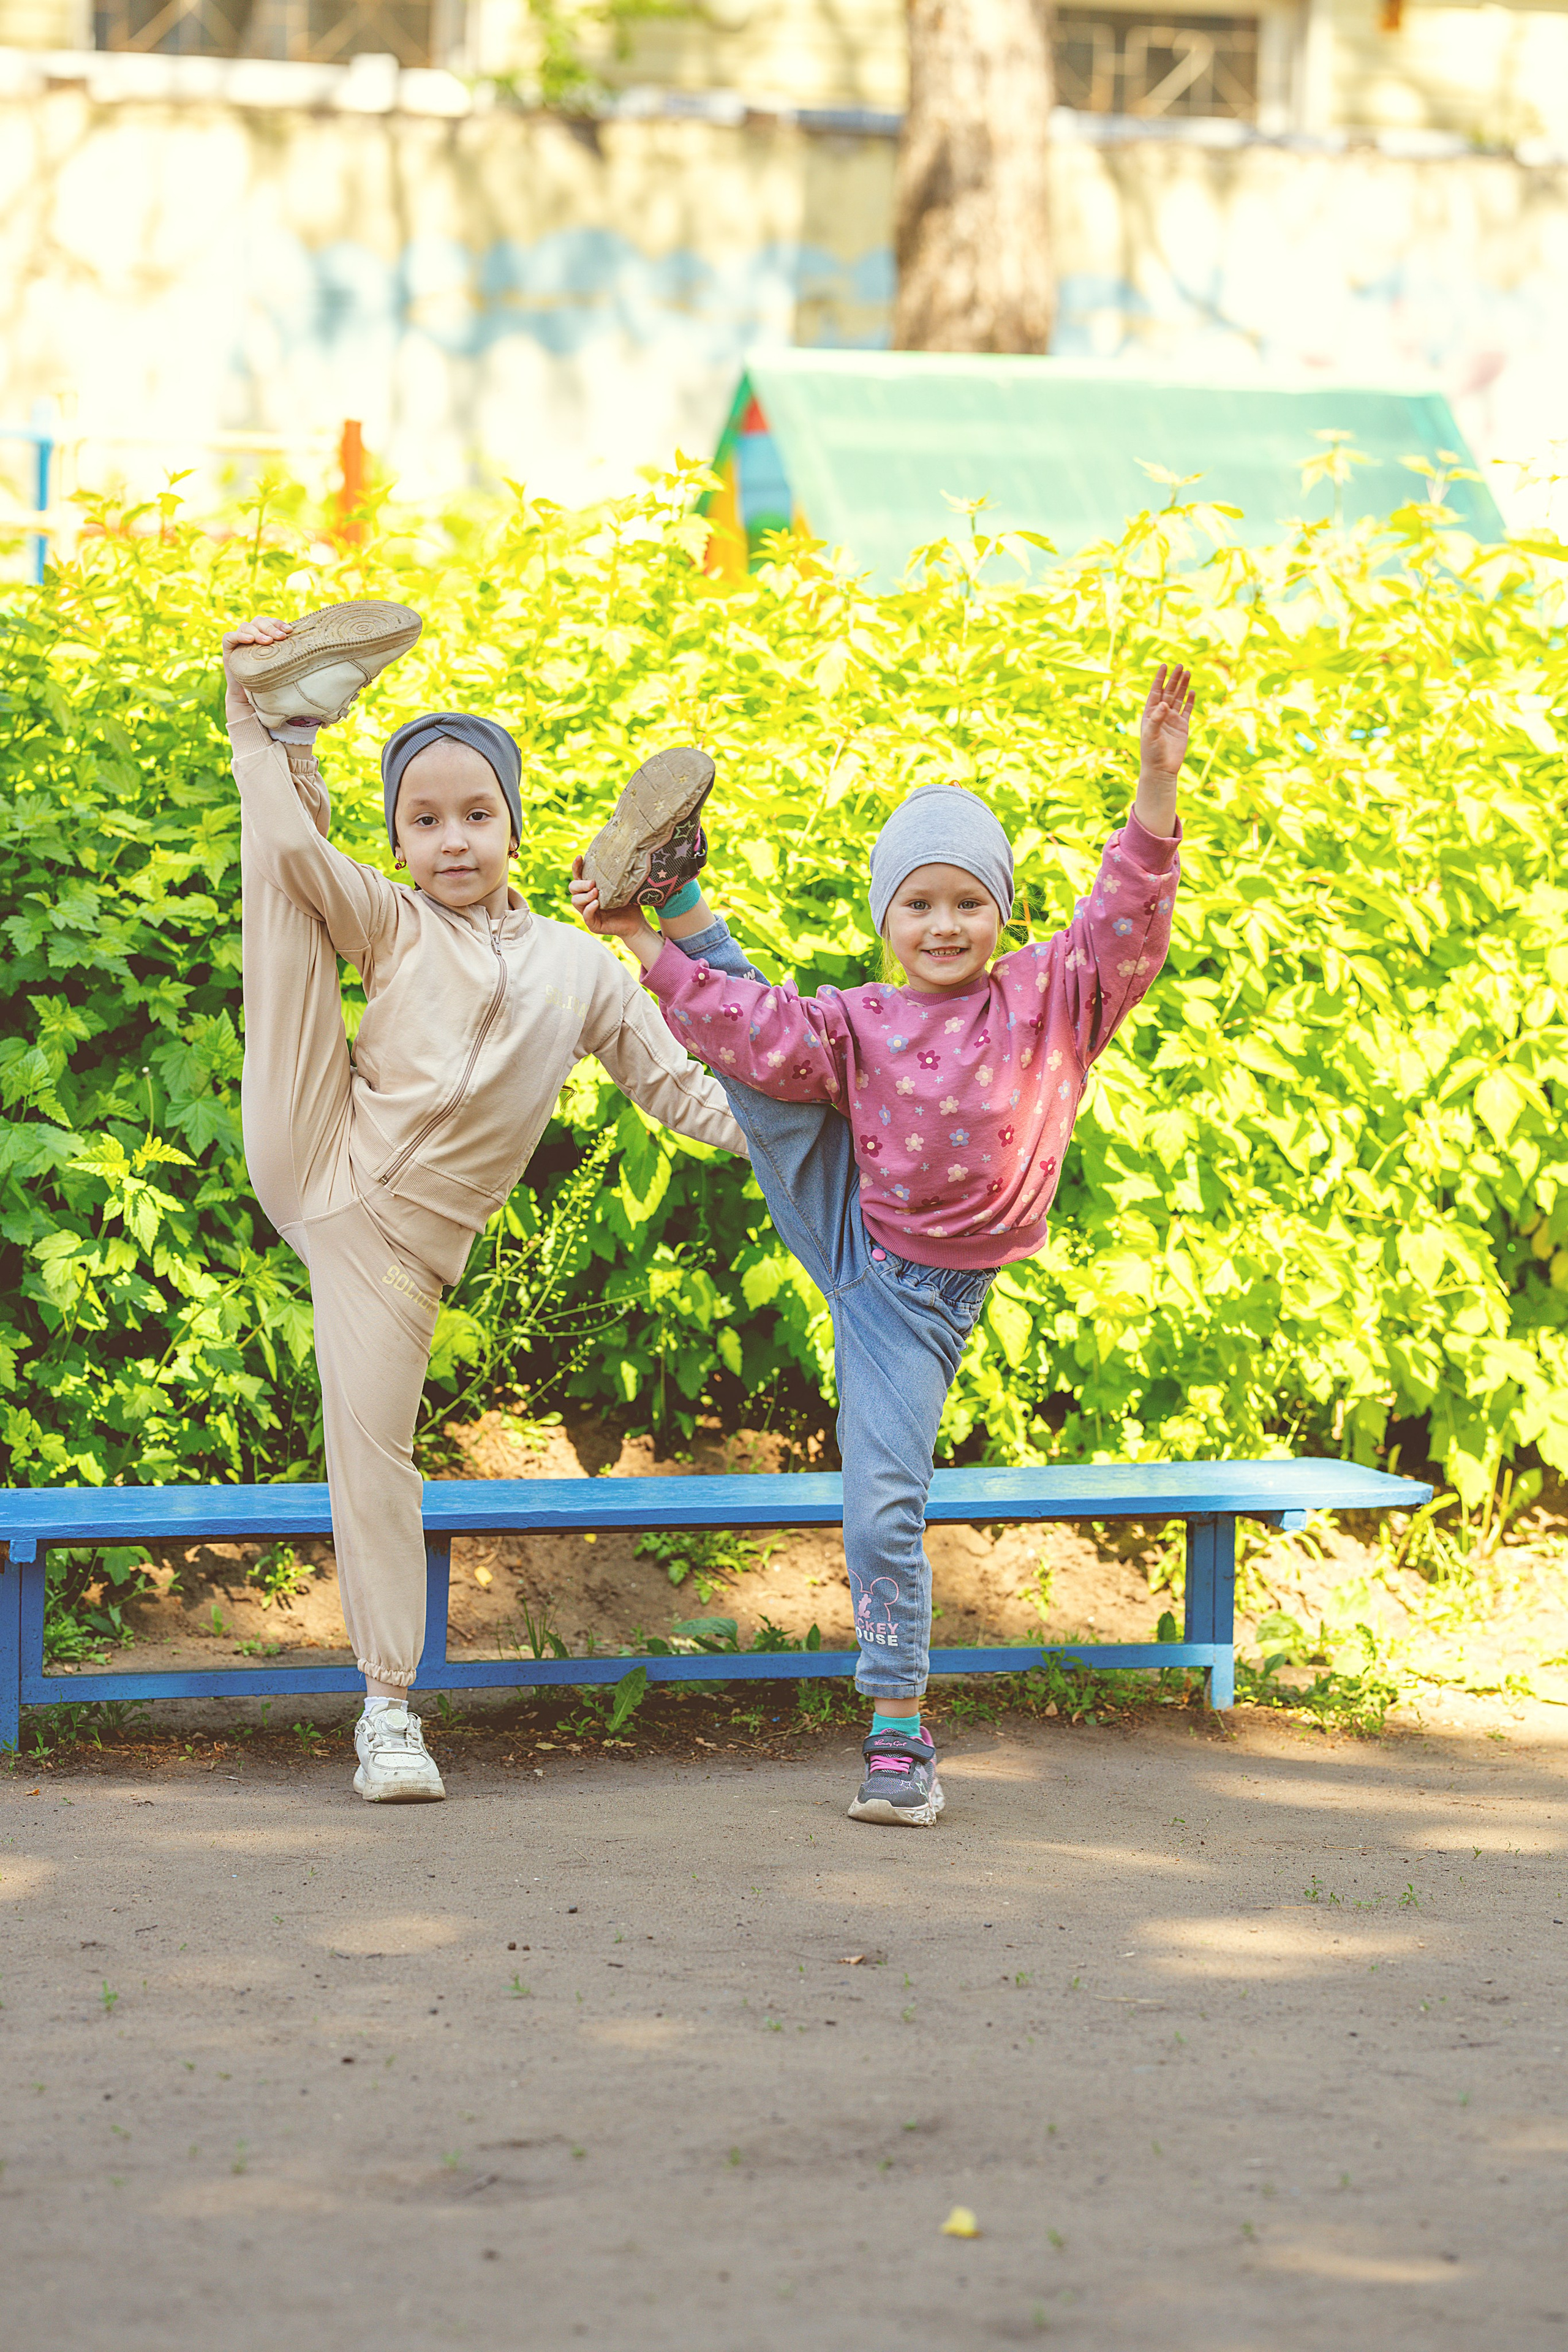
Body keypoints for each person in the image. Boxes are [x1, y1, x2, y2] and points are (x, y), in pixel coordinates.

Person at [570, 666, 1193, 1825]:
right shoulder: (865, 1018)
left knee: (882, 1503)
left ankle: (898, 1723)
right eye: (918, 905)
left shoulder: (1059, 997)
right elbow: (756, 1030)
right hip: (858, 1230)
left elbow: (1126, 913)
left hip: (914, 1302)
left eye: (966, 901)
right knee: (763, 1076)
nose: (944, 924)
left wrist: (1157, 782)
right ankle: (677, 893)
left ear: (1001, 912)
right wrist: (637, 947)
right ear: (885, 919)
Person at [222, 604, 749, 1804]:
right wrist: (265, 761)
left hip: (395, 1258)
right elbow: (302, 864)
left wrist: (798, 1140)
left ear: (512, 821)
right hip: (320, 1146)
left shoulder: (578, 970)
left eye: (474, 815)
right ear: (400, 836)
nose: (450, 840)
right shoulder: (392, 918)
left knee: (375, 1462)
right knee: (290, 911)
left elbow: (680, 1091)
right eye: (422, 819)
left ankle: (386, 1714)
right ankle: (267, 718)